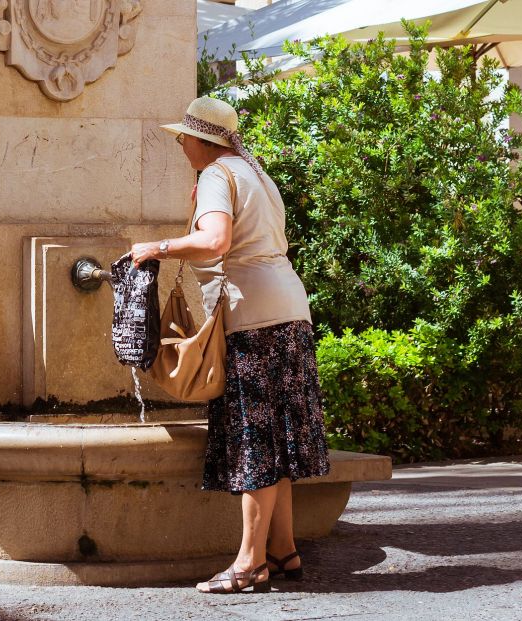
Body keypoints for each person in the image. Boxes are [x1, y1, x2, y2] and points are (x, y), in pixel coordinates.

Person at [131, 96, 331, 594]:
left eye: (184, 137)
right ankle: (283, 551)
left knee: (255, 440)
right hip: (288, 310)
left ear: (204, 140)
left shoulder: (218, 174)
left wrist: (156, 248)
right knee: (278, 437)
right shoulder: (256, 173)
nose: (181, 146)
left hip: (253, 319)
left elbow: (216, 241)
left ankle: (248, 563)